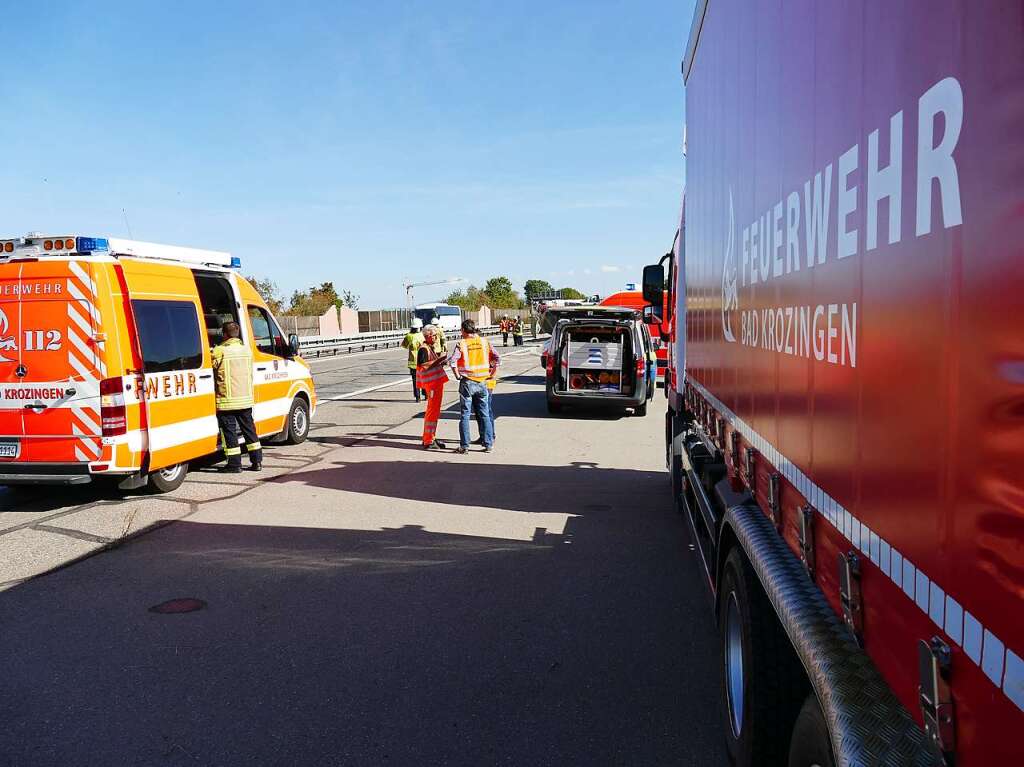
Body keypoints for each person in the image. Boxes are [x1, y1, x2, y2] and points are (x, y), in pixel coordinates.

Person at [212, 321, 263, 473]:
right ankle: (257, 462)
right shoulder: (247, 350)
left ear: (225, 334)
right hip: (245, 399)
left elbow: (210, 365)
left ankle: (234, 465)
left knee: (229, 432)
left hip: (227, 400)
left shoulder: (219, 350)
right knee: (249, 431)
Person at [449, 319, 499, 453]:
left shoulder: (462, 344)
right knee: (484, 414)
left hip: (467, 382)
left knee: (465, 414)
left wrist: (457, 375)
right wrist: (492, 373)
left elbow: (453, 362)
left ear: (463, 330)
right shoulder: (484, 342)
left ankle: (465, 446)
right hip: (482, 382)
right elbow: (497, 358)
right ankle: (488, 444)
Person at [417, 325, 449, 450]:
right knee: (432, 412)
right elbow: (424, 365)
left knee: (434, 412)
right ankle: (428, 440)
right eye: (434, 335)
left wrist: (440, 360)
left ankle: (430, 437)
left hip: (434, 385)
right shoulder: (424, 349)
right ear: (428, 336)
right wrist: (439, 360)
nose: (436, 337)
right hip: (431, 386)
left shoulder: (429, 348)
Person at [401, 318, 426, 402]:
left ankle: (417, 397)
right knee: (424, 378)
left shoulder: (409, 336)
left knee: (415, 380)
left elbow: (404, 345)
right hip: (423, 361)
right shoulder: (422, 335)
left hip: (413, 362)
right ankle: (426, 394)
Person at [474, 373, 497, 446]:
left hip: (486, 383)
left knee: (486, 411)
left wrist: (489, 376)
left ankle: (490, 436)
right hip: (476, 382)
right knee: (478, 411)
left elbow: (495, 366)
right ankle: (483, 436)